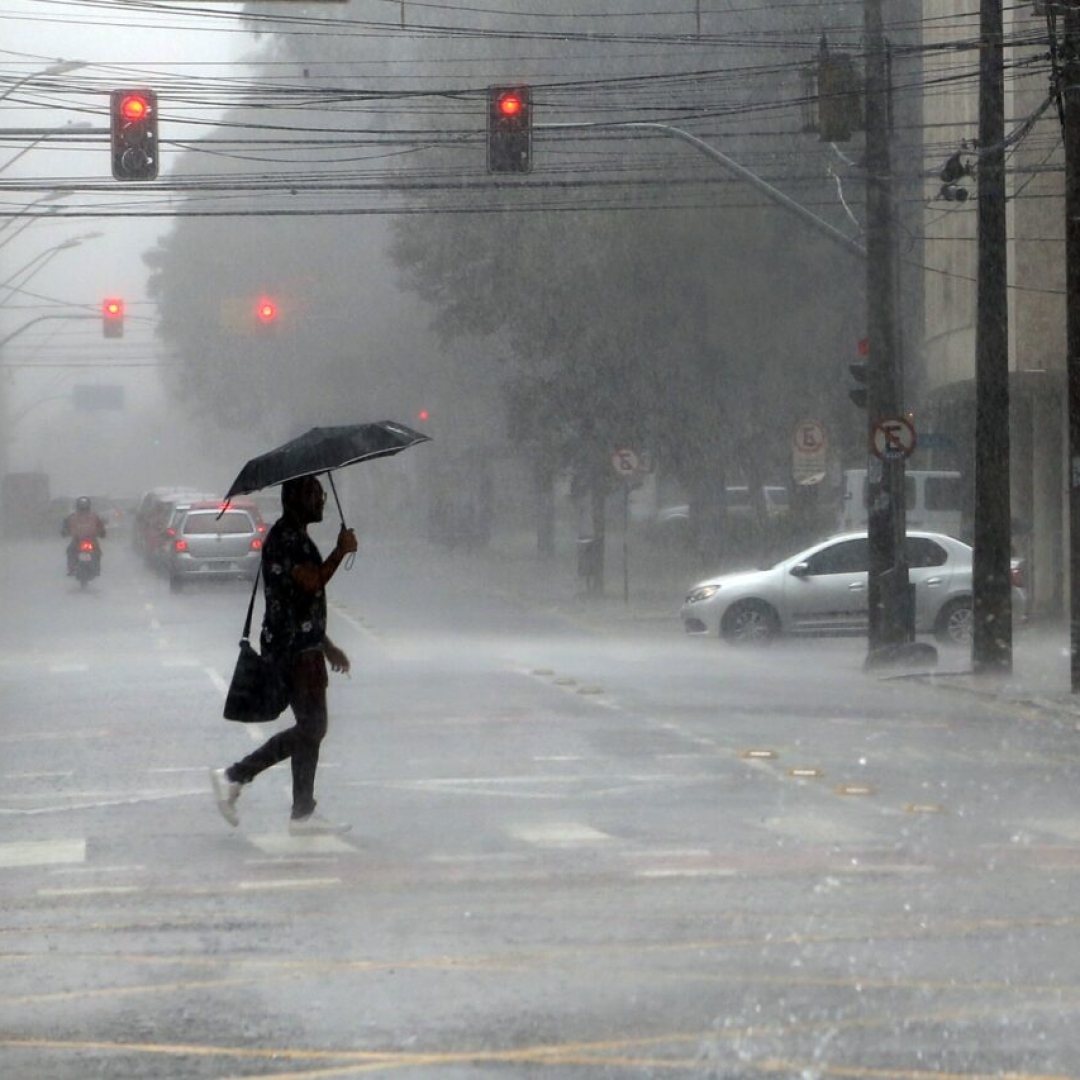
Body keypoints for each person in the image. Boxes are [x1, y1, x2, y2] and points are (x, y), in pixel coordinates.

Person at [210, 474, 359, 835]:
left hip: (302, 646)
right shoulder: (286, 538)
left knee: (312, 728)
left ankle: (303, 813)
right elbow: (311, 582)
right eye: (314, 495)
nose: (321, 501)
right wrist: (341, 551)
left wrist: (327, 645)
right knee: (313, 727)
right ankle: (235, 776)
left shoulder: (294, 535)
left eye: (322, 495)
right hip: (293, 651)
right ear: (295, 499)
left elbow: (301, 602)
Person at [61, 496, 107, 575]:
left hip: (88, 539)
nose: (83, 508)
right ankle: (72, 568)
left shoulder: (93, 516)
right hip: (80, 539)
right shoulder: (73, 517)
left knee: (96, 552)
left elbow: (100, 525)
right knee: (71, 551)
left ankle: (94, 568)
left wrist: (102, 532)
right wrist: (65, 531)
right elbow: (66, 525)